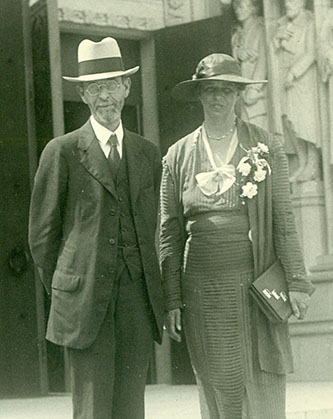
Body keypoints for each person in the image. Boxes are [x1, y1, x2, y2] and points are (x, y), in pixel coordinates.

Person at [159, 53, 314, 419]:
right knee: (219, 382)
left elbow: (283, 218)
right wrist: (172, 299)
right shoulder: (177, 156)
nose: (218, 98)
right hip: (202, 289)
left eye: (227, 90)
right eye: (210, 90)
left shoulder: (265, 146)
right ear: (198, 95)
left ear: (238, 95)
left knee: (260, 382)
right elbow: (168, 232)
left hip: (253, 283)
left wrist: (297, 282)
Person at [29, 37, 164, 419]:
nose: (106, 96)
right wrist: (69, 292)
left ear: (127, 88)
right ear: (83, 95)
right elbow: (42, 239)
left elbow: (151, 225)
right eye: (95, 88)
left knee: (131, 407)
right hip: (85, 304)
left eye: (112, 85)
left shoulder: (147, 153)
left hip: (137, 302)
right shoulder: (63, 151)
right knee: (92, 410)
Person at [272, 0, 321, 182]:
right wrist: (278, 39)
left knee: (306, 123)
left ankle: (313, 165)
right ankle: (302, 162)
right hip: (284, 79)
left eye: (292, 1)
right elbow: (274, 51)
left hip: (303, 80)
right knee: (290, 122)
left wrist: (295, 72)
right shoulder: (282, 24)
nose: (287, 5)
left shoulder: (310, 21)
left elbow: (312, 52)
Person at [231, 0, 268, 130]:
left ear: (253, 8)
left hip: (256, 95)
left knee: (259, 136)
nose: (238, 10)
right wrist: (237, 53)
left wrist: (255, 87)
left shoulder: (261, 29)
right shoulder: (237, 34)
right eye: (236, 7)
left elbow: (264, 60)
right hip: (241, 95)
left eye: (242, 6)